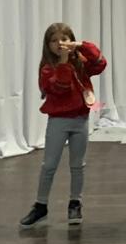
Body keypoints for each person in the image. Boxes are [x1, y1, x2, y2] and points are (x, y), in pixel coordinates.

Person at [19, 23, 106, 228]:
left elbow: (100, 63)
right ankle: (41, 205)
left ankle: (75, 202)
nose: (60, 43)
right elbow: (61, 87)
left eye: (65, 39)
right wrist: (64, 63)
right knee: (49, 165)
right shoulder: (47, 68)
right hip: (58, 121)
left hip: (80, 120)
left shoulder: (81, 62)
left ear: (71, 41)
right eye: (54, 40)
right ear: (47, 45)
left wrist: (81, 45)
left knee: (77, 165)